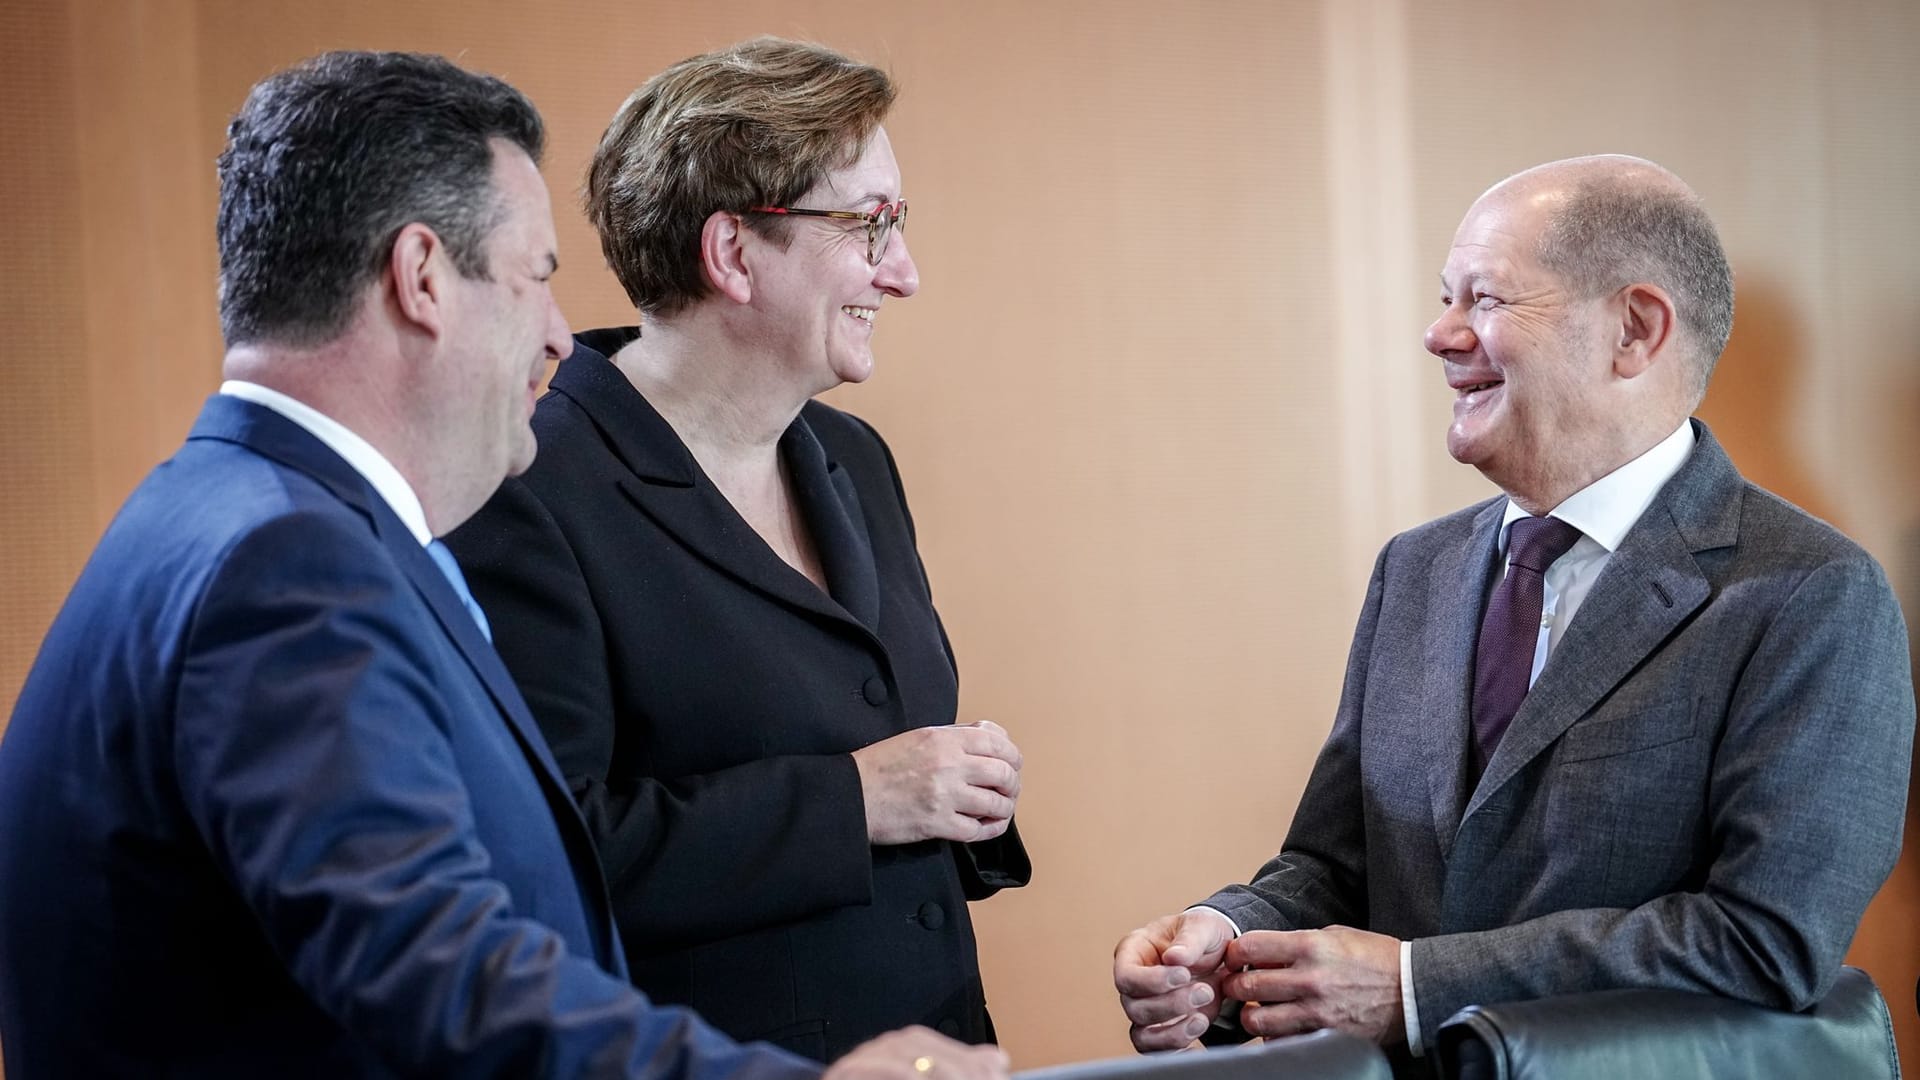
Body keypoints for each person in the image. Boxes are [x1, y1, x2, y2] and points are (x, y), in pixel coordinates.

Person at [0, 49, 1007, 1080]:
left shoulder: (228, 512)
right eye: (536, 278)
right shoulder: (288, 564)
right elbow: (436, 967)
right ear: (424, 277)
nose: (561, 335)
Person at [1112, 155, 1914, 1062]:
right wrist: (1222, 939)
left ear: (1635, 330)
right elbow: (1338, 867)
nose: (1439, 335)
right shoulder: (1414, 571)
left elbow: (1766, 941)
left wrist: (1417, 988)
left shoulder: (1813, 596)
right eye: (1445, 298)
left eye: (1485, 301)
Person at [445, 38, 1029, 1062]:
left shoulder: (853, 455)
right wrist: (857, 803)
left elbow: (878, 740)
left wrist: (958, 790)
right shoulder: (532, 494)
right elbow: (549, 855)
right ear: (732, 255)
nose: (904, 273)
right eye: (871, 226)